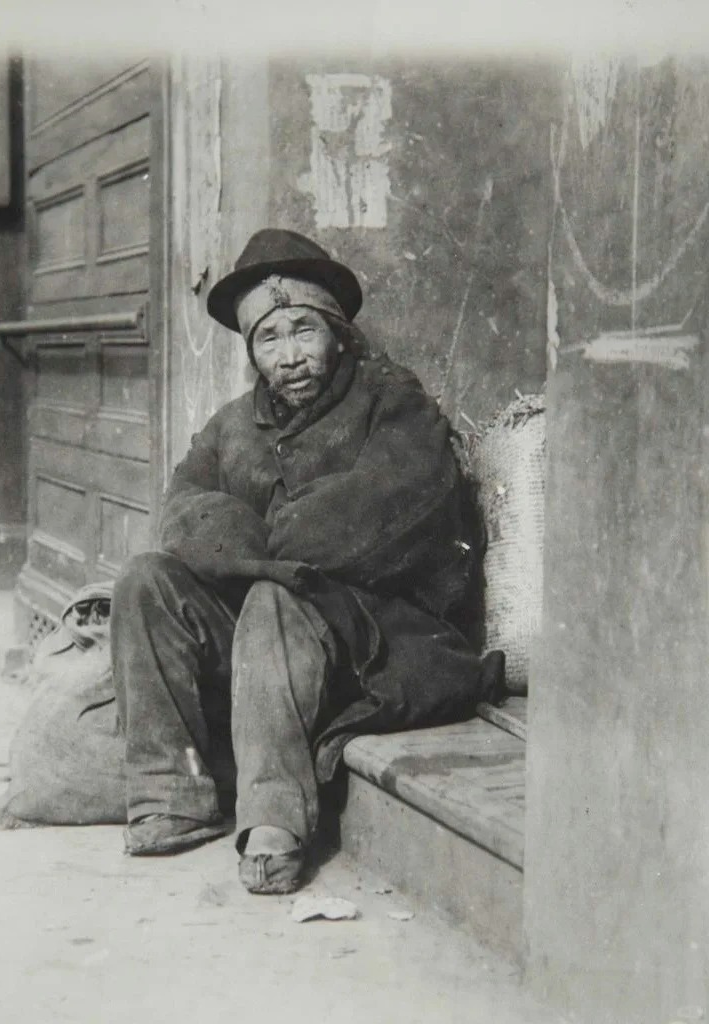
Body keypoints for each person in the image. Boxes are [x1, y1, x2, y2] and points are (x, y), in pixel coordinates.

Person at [110, 228, 505, 895]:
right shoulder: (233, 425)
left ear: (337, 333)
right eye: (269, 339)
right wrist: (256, 552)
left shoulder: (393, 402)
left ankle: (274, 822)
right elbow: (184, 509)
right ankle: (170, 796)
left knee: (273, 599)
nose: (289, 356)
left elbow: (388, 508)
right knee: (145, 581)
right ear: (253, 352)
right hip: (263, 638)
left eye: (303, 332)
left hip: (376, 637)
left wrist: (261, 555)